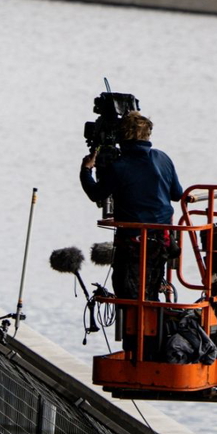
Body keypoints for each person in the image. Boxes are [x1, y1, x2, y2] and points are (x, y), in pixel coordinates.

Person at [80, 111, 183, 358]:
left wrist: (86, 169)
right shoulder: (163, 158)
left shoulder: (120, 167)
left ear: (122, 138)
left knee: (129, 294)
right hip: (163, 241)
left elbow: (96, 194)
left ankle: (140, 351)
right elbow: (177, 194)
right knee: (151, 290)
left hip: (134, 244)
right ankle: (154, 346)